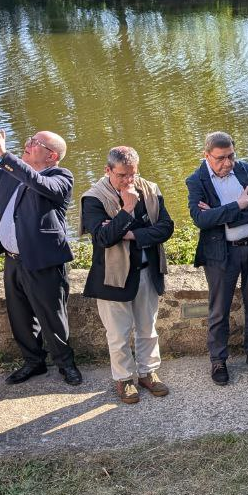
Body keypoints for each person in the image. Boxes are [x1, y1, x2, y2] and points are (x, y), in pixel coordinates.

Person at [0, 128, 82, 386]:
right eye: (30, 140)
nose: (27, 143)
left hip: (43, 260)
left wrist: (4, 153)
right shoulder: (14, 171)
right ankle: (33, 362)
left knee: (52, 316)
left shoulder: (60, 176)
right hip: (13, 259)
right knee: (20, 316)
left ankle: (66, 364)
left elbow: (38, 183)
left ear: (52, 155)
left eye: (35, 142)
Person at [81, 146, 175, 404]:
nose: (129, 181)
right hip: (113, 278)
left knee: (148, 329)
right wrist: (127, 209)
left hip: (147, 272)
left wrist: (132, 234)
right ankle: (123, 380)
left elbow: (166, 228)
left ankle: (148, 373)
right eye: (122, 175)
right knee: (119, 334)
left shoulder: (151, 189)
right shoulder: (93, 198)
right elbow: (103, 238)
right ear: (107, 170)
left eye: (133, 174)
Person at [186, 131, 248, 386]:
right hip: (221, 253)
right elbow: (201, 220)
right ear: (207, 156)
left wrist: (220, 214)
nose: (227, 163)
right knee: (219, 309)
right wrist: (238, 206)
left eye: (230, 156)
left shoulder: (246, 170)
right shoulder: (197, 180)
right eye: (220, 158)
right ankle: (218, 360)